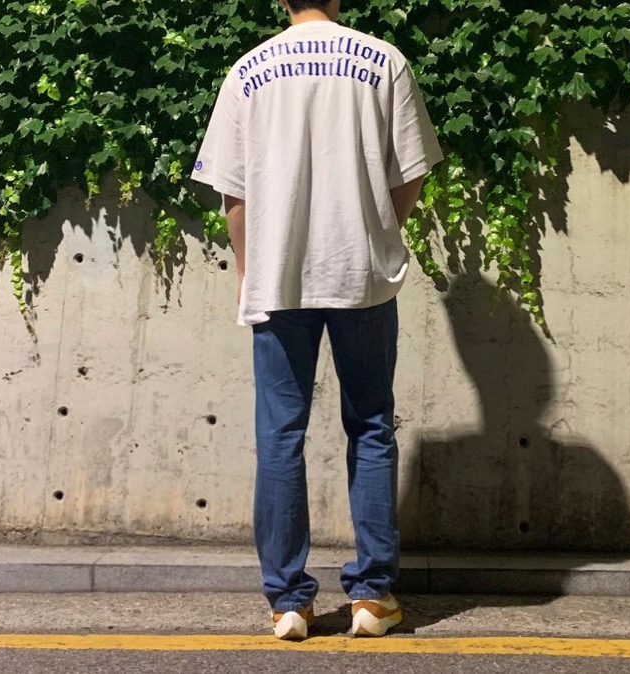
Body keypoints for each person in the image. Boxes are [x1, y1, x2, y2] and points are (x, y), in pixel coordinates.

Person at [191, 0, 443, 640]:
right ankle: (372, 598)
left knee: (281, 434)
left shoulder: (249, 70)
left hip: (279, 276)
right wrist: (379, 233)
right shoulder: (384, 61)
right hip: (360, 273)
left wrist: (248, 270)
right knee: (372, 426)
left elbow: (234, 192)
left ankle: (288, 602)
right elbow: (410, 172)